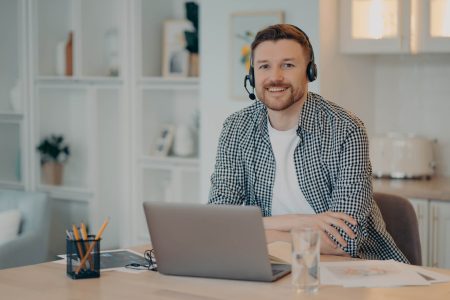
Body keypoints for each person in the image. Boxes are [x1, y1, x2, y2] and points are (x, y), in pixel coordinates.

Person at [208, 24, 408, 262]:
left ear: (310, 71)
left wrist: (255, 231)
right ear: (252, 75)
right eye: (264, 67)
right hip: (275, 265)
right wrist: (300, 221)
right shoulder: (237, 128)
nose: (275, 77)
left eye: (288, 65)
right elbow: (218, 223)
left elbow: (344, 241)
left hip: (357, 270)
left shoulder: (346, 129)